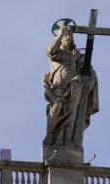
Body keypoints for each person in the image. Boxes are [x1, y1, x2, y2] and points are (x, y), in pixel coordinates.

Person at [42, 25, 98, 153]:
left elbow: (89, 69)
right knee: (55, 110)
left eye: (70, 36)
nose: (68, 38)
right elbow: (50, 50)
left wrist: (90, 79)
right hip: (58, 88)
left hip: (74, 87)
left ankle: (67, 140)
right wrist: (60, 34)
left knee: (72, 114)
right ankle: (51, 135)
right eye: (66, 36)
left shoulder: (75, 55)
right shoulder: (56, 53)